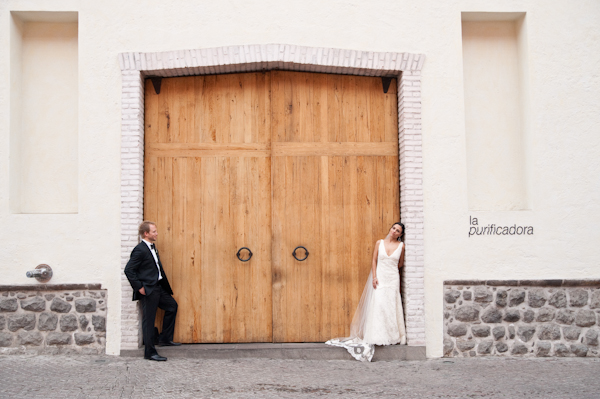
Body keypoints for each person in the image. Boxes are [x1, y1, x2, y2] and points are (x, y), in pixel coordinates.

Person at [326, 222, 407, 361]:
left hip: (392, 278)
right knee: (379, 305)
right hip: (380, 278)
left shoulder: (401, 246)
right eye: (393, 228)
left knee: (390, 306)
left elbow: (400, 264)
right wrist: (374, 277)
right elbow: (374, 260)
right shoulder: (379, 243)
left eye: (398, 230)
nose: (394, 231)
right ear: (390, 229)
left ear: (400, 234)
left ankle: (392, 335)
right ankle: (378, 335)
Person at [124, 221, 181, 361]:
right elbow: (129, 270)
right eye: (154, 231)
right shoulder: (140, 249)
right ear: (146, 233)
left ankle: (165, 339)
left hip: (158, 287)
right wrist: (140, 287)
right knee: (149, 321)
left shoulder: (152, 247)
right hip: (148, 290)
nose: (156, 233)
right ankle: (149, 353)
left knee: (172, 306)